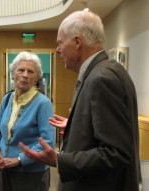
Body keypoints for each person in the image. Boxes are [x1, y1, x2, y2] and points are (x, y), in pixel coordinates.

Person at [19, 10, 141, 191]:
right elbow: (112, 130)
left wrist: (59, 160)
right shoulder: (107, 70)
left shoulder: (101, 79)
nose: (58, 49)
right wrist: (79, 124)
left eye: (60, 42)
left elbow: (117, 153)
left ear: (77, 42)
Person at [0, 51, 55, 191]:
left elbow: (48, 142)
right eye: (21, 70)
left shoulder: (43, 103)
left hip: (31, 173)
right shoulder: (7, 99)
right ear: (12, 74)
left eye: (30, 71)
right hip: (5, 169)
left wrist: (19, 159)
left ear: (36, 77)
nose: (25, 75)